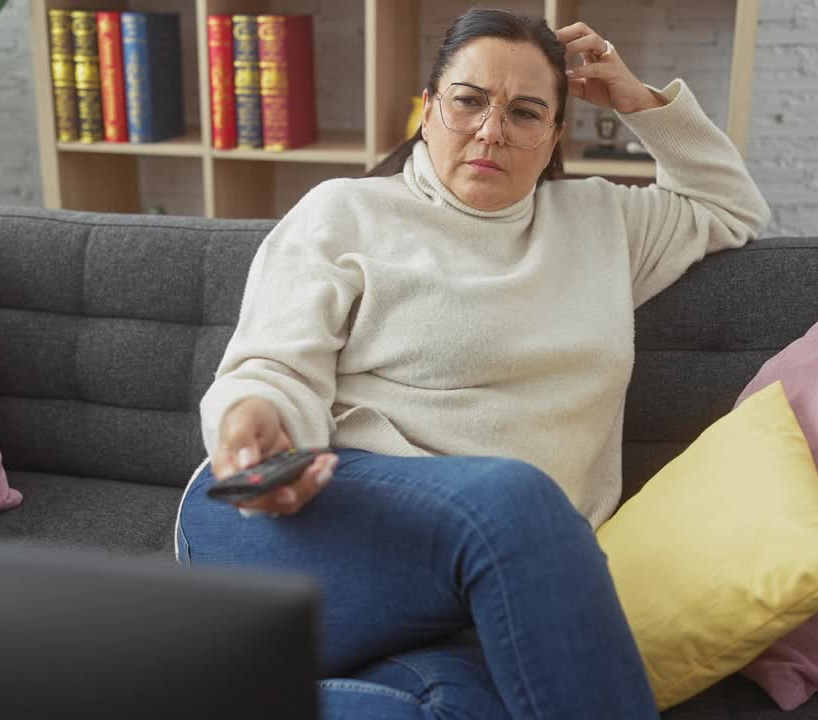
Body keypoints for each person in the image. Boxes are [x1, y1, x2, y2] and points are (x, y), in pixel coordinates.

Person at [175, 8, 770, 719]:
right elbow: (269, 367)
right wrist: (254, 423)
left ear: (555, 135)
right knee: (514, 498)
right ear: (428, 111)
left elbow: (729, 206)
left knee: (451, 707)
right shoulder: (345, 213)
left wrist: (638, 101)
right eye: (468, 101)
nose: (491, 131)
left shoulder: (603, 223)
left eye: (525, 112)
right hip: (300, 525)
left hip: (489, 582)